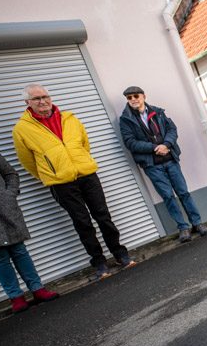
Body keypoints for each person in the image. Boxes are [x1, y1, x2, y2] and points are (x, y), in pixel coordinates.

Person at [13, 84, 135, 280]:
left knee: (103, 215)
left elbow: (84, 144)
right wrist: (51, 174)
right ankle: (99, 262)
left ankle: (120, 253)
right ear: (27, 102)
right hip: (61, 183)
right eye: (37, 98)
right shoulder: (22, 129)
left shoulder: (69, 118)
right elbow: (27, 161)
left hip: (87, 175)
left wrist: (81, 163)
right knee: (82, 222)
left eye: (45, 96)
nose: (43, 101)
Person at [119, 86, 207, 243]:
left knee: (183, 192)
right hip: (152, 165)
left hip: (170, 159)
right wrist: (154, 148)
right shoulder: (125, 119)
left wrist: (166, 144)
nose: (133, 99)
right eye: (129, 98)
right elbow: (130, 142)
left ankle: (197, 223)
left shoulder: (158, 112)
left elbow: (172, 129)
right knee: (168, 196)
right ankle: (183, 228)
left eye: (136, 96)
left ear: (143, 96)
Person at [0, 147, 59, 313]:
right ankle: (16, 297)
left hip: (5, 208)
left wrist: (9, 195)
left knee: (19, 249)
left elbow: (11, 173)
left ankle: (38, 289)